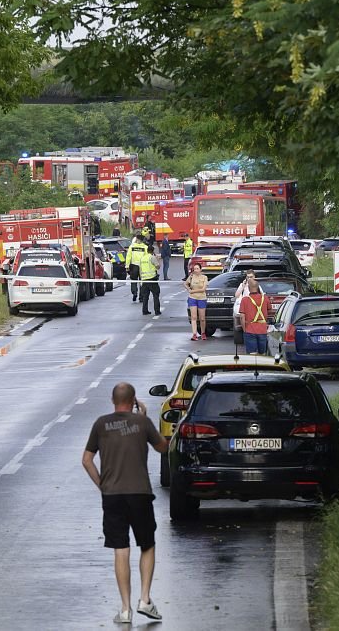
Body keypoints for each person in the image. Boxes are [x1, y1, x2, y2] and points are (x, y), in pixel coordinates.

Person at [82, 382, 168, 625]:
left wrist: (102, 485)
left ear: (112, 400)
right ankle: (145, 600)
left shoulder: (100, 424)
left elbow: (87, 460)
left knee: (121, 549)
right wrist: (145, 418)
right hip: (140, 494)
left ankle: (125, 609)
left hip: (112, 496)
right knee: (147, 545)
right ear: (133, 401)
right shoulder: (142, 423)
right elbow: (163, 447)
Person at [239, 279, 271, 354]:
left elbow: (242, 317)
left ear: (249, 288)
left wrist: (244, 329)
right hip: (262, 330)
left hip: (250, 330)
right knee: (262, 354)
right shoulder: (265, 298)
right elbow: (269, 311)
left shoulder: (245, 300)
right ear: (258, 287)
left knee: (252, 355)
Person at [184, 263, 209, 341]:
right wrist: (188, 289)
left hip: (201, 298)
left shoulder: (204, 277)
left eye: (197, 269)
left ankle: (203, 333)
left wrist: (193, 291)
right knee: (193, 317)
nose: (196, 270)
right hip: (192, 298)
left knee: (202, 318)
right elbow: (185, 284)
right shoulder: (191, 277)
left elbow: (203, 289)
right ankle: (194, 334)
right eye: (194, 269)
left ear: (201, 269)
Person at [139, 244, 161, 316]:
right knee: (156, 295)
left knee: (145, 296)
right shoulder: (152, 257)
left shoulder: (142, 258)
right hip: (152, 279)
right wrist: (157, 260)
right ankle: (157, 311)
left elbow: (140, 269)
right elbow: (157, 267)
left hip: (144, 279)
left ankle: (144, 311)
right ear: (152, 251)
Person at [127, 237, 147, 302]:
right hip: (142, 266)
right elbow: (147, 257)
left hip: (134, 266)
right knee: (142, 282)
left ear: (137, 240)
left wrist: (127, 266)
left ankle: (134, 293)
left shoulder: (132, 247)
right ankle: (141, 297)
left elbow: (128, 256)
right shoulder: (145, 247)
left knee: (133, 281)